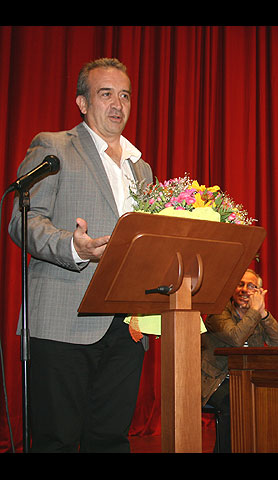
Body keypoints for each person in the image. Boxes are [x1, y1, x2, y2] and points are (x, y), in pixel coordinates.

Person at [7, 58, 154, 452]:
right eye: (106, 94)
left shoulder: (141, 169)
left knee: (110, 440)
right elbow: (23, 221)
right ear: (83, 103)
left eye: (125, 95)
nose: (118, 104)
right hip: (63, 319)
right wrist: (74, 247)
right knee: (56, 441)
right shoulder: (54, 147)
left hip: (127, 325)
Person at [201, 269, 278, 452]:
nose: (244, 290)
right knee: (235, 402)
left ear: (258, 292)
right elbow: (236, 338)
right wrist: (255, 311)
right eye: (240, 285)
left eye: (251, 286)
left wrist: (263, 314)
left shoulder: (257, 315)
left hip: (248, 379)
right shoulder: (218, 312)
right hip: (216, 380)